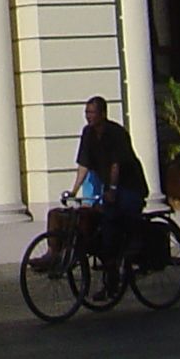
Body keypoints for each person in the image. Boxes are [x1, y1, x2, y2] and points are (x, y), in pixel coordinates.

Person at [70, 95, 148, 278]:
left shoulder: (116, 133)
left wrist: (112, 189)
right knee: (96, 221)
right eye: (86, 112)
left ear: (103, 114)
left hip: (129, 184)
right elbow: (84, 165)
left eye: (92, 112)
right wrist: (73, 190)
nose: (88, 116)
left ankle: (133, 247)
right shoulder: (88, 133)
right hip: (109, 186)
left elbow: (116, 165)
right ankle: (109, 266)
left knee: (114, 216)